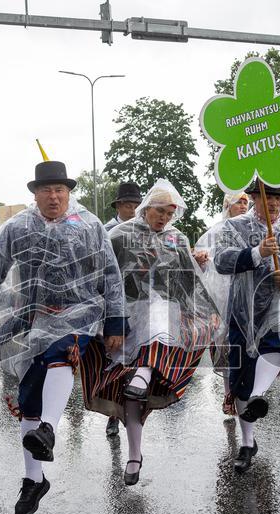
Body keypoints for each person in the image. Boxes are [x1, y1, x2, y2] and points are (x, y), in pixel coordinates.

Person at [0, 160, 126, 514]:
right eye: (46, 189)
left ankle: (49, 428)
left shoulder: (89, 225)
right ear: (34, 193)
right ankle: (34, 479)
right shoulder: (18, 226)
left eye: (60, 189)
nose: (54, 196)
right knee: (29, 398)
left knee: (59, 354)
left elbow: (111, 275)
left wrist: (116, 322)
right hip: (34, 318)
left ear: (69, 192)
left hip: (81, 314)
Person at [81, 180, 221, 485]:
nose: (164, 218)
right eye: (160, 211)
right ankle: (135, 454)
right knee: (129, 396)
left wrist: (206, 311)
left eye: (169, 214)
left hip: (162, 320)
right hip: (124, 323)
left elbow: (188, 284)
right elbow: (100, 278)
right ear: (146, 207)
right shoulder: (118, 236)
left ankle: (144, 376)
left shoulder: (176, 239)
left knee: (157, 317)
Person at [212, 180, 280, 472]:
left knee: (273, 349)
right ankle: (248, 442)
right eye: (267, 196)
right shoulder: (234, 227)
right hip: (243, 312)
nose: (273, 203)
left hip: (279, 308)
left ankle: (258, 394)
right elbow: (220, 260)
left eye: (277, 198)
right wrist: (257, 252)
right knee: (241, 378)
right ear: (253, 198)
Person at [194, 191, 250, 417]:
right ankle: (229, 394)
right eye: (239, 202)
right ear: (228, 206)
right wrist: (201, 260)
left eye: (246, 202)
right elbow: (202, 260)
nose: (244, 206)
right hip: (220, 297)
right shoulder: (215, 232)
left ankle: (245, 392)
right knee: (226, 347)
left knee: (247, 347)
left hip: (246, 296)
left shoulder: (250, 231)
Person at [100, 181, 143, 437]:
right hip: (114, 305)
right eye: (128, 205)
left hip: (140, 302)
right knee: (115, 360)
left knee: (136, 359)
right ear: (118, 206)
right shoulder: (106, 232)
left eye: (137, 205)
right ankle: (114, 414)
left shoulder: (145, 231)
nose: (133, 209)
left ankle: (130, 409)